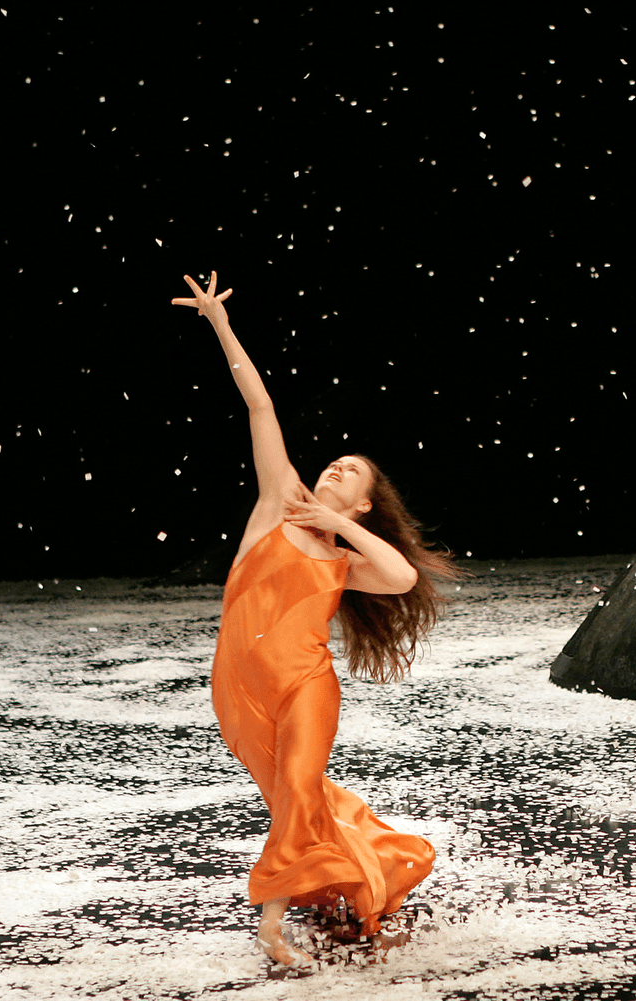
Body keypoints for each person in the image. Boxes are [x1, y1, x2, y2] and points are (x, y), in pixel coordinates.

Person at [172, 271, 466, 969]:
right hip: (238, 689)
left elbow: (400, 576)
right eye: (334, 462)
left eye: (350, 473)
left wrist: (342, 526)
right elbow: (260, 405)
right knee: (291, 804)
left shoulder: (343, 556)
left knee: (301, 790)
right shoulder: (278, 500)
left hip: (306, 684)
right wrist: (220, 324)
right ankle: (355, 886)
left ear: (363, 504)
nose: (335, 468)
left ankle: (272, 924)